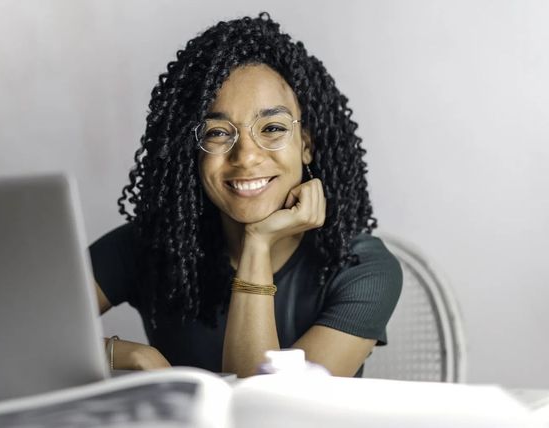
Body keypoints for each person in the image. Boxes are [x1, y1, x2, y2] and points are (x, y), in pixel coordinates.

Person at [90, 13, 402, 378]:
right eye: (218, 133)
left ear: (306, 145)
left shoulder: (362, 269)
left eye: (272, 128)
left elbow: (268, 410)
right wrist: (129, 355)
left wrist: (258, 242)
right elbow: (16, 334)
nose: (247, 156)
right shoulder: (150, 246)